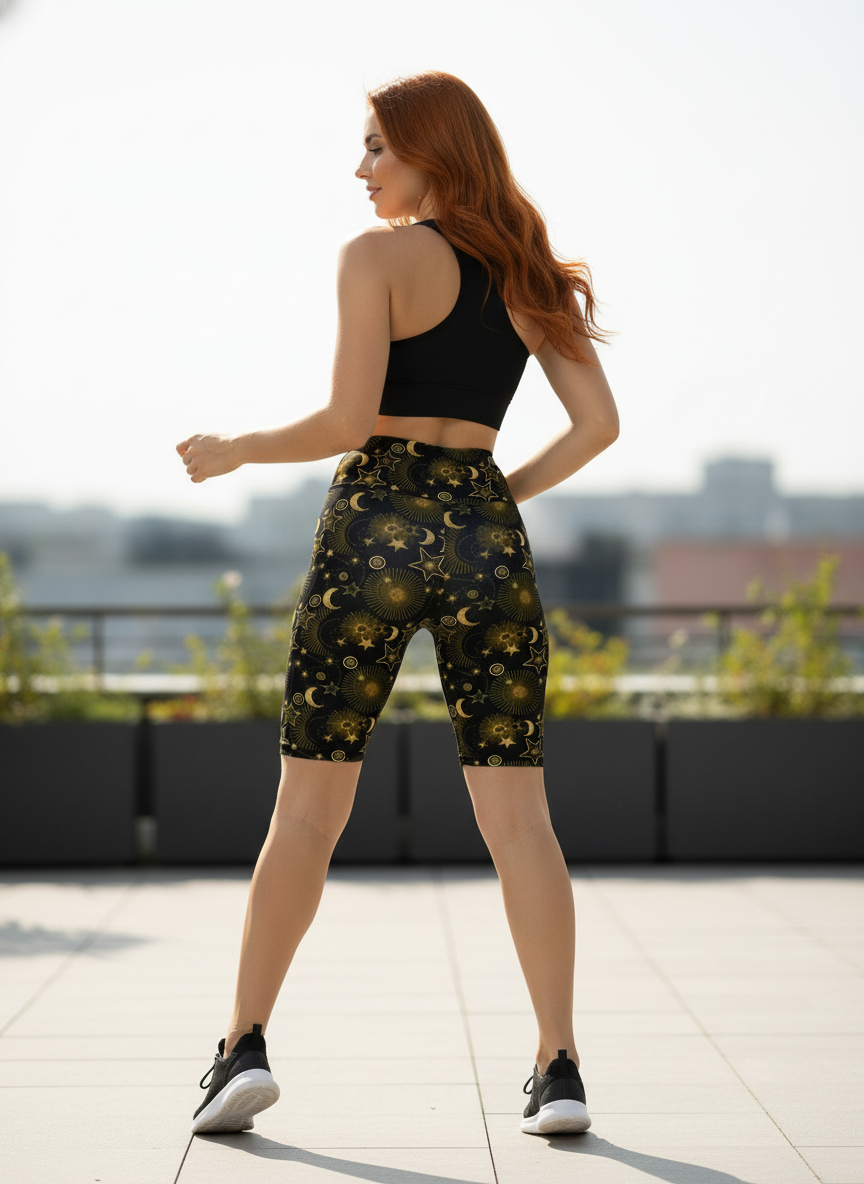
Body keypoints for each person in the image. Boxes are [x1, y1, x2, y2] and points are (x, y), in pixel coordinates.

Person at [177, 71, 619, 1139]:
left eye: (376, 145)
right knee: (520, 817)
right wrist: (486, 497)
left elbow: (344, 418)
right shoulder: (524, 271)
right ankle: (559, 1065)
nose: (362, 167)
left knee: (307, 808)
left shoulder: (375, 257)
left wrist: (235, 448)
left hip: (375, 517)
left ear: (429, 149)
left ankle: (241, 1048)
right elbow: (597, 425)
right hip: (485, 530)